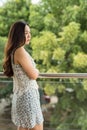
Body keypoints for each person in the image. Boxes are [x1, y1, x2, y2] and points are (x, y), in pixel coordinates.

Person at [3, 20, 44, 130]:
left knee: (23, 128)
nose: (29, 36)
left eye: (29, 32)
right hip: (28, 97)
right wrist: (37, 71)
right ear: (18, 34)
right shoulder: (20, 51)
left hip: (23, 96)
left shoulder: (14, 51)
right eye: (26, 33)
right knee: (37, 127)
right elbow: (33, 75)